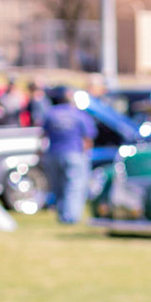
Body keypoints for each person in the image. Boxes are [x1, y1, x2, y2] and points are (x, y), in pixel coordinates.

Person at [40, 85, 96, 224]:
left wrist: (41, 154)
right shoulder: (79, 114)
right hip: (74, 153)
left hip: (53, 154)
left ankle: (61, 214)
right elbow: (88, 138)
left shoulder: (50, 113)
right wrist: (86, 155)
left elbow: (43, 135)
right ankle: (70, 217)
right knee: (74, 186)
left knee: (58, 186)